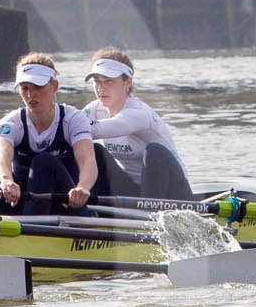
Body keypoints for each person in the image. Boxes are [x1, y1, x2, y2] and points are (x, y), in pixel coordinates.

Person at [0, 53, 106, 214]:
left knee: (44, 161)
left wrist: (83, 187)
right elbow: (2, 157)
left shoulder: (74, 119)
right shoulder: (10, 123)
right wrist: (6, 181)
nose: (30, 94)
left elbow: (87, 160)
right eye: (25, 88)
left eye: (38, 87)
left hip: (67, 204)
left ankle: (32, 231)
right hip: (24, 203)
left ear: (54, 86)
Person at [80, 48, 194, 201]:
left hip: (173, 192)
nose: (101, 88)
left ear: (128, 82)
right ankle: (89, 210)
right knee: (96, 151)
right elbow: (74, 125)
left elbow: (91, 128)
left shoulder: (138, 112)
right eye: (97, 82)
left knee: (154, 151)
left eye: (108, 81)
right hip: (135, 191)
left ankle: (148, 216)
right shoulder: (94, 108)